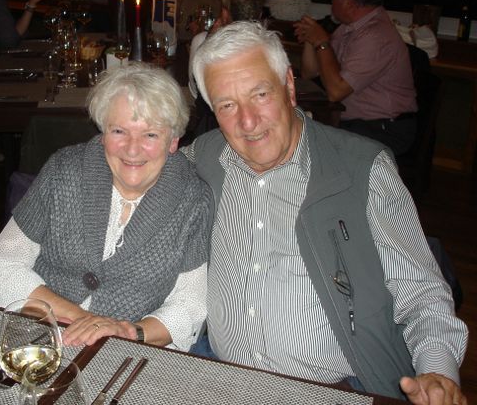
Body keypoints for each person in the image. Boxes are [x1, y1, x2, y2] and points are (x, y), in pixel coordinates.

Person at [186, 21, 468, 404]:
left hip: (338, 389)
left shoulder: (362, 170)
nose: (247, 122)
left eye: (260, 94)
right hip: (221, 378)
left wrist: (437, 373)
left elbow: (422, 294)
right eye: (227, 105)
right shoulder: (204, 157)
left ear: (289, 85)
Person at [0, 63, 213, 351]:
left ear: (173, 140)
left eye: (150, 135)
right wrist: (83, 320)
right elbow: (2, 265)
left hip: (126, 351)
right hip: (36, 331)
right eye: (119, 131)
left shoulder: (193, 200)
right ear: (103, 132)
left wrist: (128, 333)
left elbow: (190, 305)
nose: (132, 149)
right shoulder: (64, 171)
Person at [293, 0, 417, 156]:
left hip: (385, 128)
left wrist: (321, 42)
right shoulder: (349, 29)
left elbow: (336, 92)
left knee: (308, 148)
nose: (331, 1)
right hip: (359, 123)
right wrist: (311, 40)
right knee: (296, 134)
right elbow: (310, 73)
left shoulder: (375, 35)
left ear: (349, 1)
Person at [188, 0, 267, 136]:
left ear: (224, 13)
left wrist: (205, 39)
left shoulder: (203, 42)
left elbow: (196, 91)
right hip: (258, 127)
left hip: (214, 131)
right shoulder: (270, 48)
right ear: (259, 14)